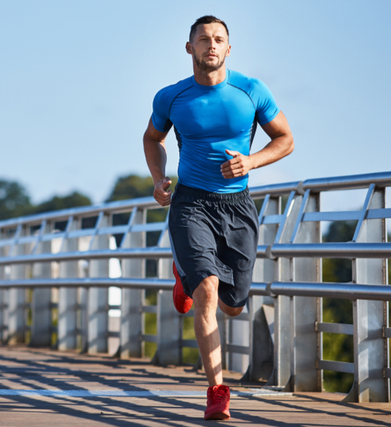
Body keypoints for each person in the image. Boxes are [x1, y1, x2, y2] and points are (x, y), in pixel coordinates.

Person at [142, 15, 294, 420]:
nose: (212, 45)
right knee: (207, 291)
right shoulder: (172, 97)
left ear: (229, 48)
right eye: (204, 39)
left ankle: (183, 274)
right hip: (191, 204)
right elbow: (152, 138)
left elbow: (285, 139)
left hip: (238, 206)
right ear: (189, 47)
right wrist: (160, 180)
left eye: (219, 39)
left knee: (231, 304)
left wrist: (251, 161)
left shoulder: (250, 91)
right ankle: (216, 390)